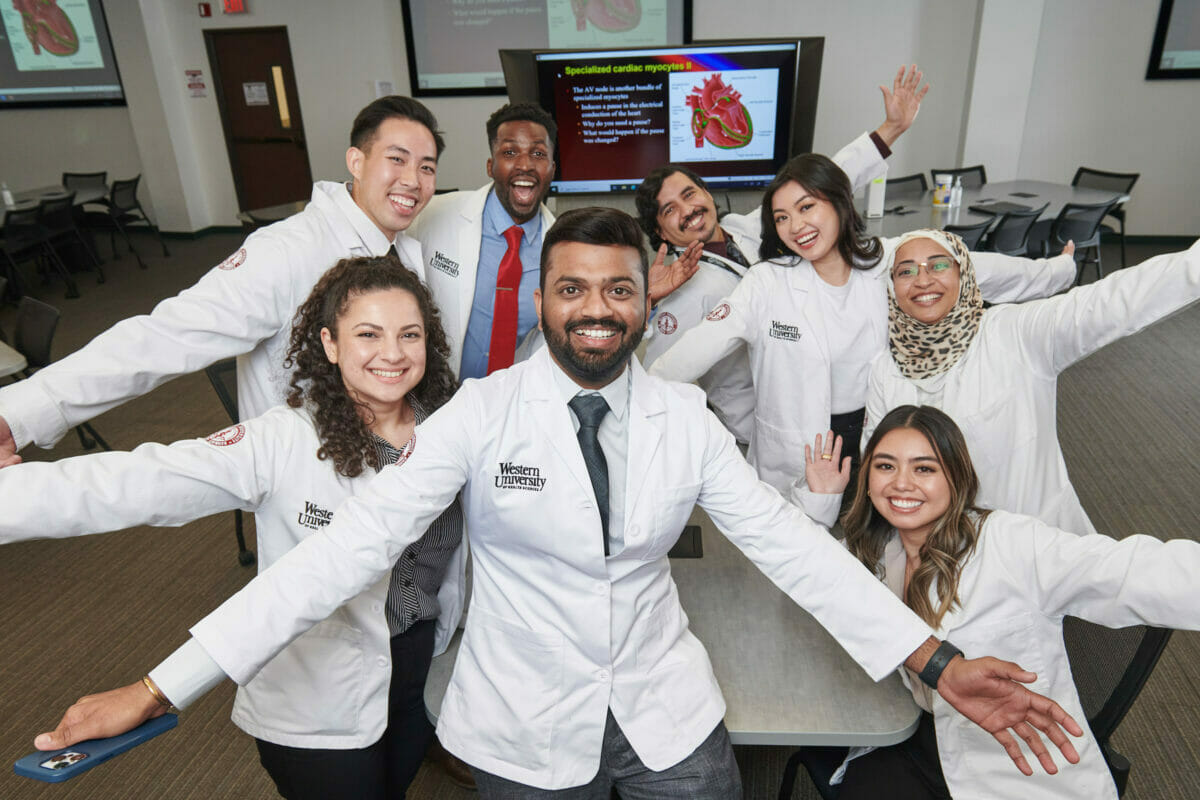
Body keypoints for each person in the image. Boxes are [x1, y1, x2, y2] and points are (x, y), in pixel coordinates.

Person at [31, 208, 1083, 798]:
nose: (595, 307)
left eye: (618, 289)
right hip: (523, 721)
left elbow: (788, 550)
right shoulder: (481, 415)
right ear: (543, 298)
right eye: (572, 288)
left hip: (669, 714)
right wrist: (165, 684)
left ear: (644, 301)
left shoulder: (681, 423)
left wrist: (935, 660)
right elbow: (338, 554)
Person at [0, 257, 463, 799]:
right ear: (330, 344)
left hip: (417, 662)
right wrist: (14, 495)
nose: (393, 353)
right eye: (368, 333)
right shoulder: (284, 438)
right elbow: (146, 479)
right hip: (318, 695)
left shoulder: (449, 427)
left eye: (410, 334)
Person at [0, 95, 444, 468]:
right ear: (357, 162)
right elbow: (163, 339)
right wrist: (18, 414)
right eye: (397, 160)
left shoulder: (404, 249)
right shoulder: (287, 250)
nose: (412, 180)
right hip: (312, 474)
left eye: (427, 168)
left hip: (391, 461)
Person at [647, 154, 1075, 513]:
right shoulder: (766, 283)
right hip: (800, 446)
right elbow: (695, 350)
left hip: (878, 430)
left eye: (807, 207)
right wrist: (638, 394)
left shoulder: (884, 259)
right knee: (802, 556)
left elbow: (972, 268)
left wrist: (1056, 270)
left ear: (837, 203)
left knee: (879, 543)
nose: (796, 226)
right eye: (782, 217)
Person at [829, 404, 1200, 799]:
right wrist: (822, 499)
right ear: (867, 477)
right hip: (922, 737)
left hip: (1011, 760)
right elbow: (813, 573)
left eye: (924, 468)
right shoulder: (878, 545)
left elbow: (1129, 570)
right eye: (886, 466)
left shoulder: (1010, 543)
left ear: (956, 478)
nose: (901, 483)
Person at [636, 64, 930, 442]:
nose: (687, 209)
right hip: (758, 422)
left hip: (821, 393)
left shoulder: (748, 228)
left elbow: (824, 181)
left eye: (689, 194)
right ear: (660, 231)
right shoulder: (679, 292)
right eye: (669, 210)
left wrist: (891, 129)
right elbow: (662, 370)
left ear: (707, 193)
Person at [863, 230, 1200, 537]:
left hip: (1033, 547)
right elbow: (878, 467)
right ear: (892, 287)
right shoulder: (885, 369)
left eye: (938, 266)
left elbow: (1108, 302)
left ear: (963, 272)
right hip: (934, 552)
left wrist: (1192, 267)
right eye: (905, 271)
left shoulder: (1015, 335)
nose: (922, 280)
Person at [410, 102, 695, 380]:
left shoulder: (566, 247)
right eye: (510, 152)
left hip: (511, 400)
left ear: (552, 168)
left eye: (538, 153)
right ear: (491, 165)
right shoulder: (433, 214)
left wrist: (642, 302)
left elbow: (587, 333)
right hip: (432, 391)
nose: (525, 165)